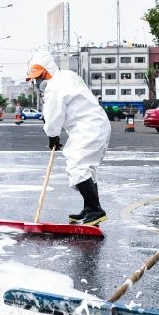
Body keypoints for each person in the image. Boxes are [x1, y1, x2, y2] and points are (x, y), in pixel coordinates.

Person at [26, 49, 111, 225]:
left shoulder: (54, 87)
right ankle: (90, 208)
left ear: (47, 72)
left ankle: (95, 209)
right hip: (95, 125)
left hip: (88, 128)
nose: (37, 82)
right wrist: (54, 133)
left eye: (39, 77)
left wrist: (52, 136)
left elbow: (53, 116)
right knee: (86, 167)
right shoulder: (66, 76)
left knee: (77, 166)